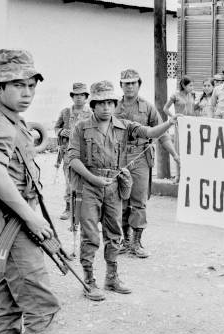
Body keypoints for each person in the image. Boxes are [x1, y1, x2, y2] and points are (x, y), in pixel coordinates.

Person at [0, 49, 92, 334]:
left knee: (9, 298)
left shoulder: (8, 120)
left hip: (2, 223)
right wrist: (31, 216)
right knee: (40, 300)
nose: (26, 92)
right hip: (13, 222)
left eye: (30, 85)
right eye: (17, 85)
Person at [67, 80, 180, 300]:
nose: (106, 107)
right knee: (90, 236)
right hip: (89, 187)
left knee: (115, 233)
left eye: (110, 102)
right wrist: (93, 178)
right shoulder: (81, 127)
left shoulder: (123, 125)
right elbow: (72, 158)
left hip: (114, 187)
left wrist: (169, 123)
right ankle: (89, 281)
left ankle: (111, 277)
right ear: (93, 105)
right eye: (101, 103)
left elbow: (149, 132)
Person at [115, 68, 180, 258]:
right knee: (120, 200)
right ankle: (124, 241)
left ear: (139, 84)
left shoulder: (148, 107)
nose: (129, 87)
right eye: (126, 83)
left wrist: (175, 154)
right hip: (118, 157)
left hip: (140, 157)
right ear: (121, 85)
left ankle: (136, 242)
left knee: (138, 200)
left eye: (133, 83)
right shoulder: (114, 107)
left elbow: (161, 133)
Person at [54, 82, 92, 220]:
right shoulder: (65, 112)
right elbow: (56, 127)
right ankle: (68, 208)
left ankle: (84, 209)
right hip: (68, 153)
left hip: (85, 153)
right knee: (69, 180)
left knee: (85, 180)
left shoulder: (91, 113)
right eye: (76, 95)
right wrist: (61, 131)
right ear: (72, 96)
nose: (79, 98)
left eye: (82, 95)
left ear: (86, 97)